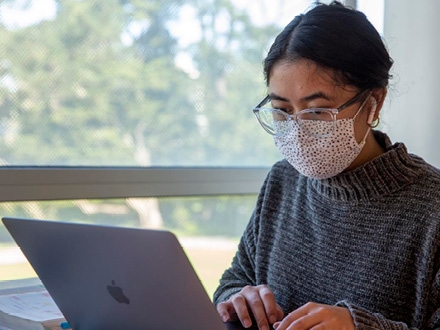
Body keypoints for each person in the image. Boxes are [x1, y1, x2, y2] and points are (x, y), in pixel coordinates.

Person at [213, 2, 440, 330]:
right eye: (281, 111)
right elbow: (235, 279)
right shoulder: (282, 181)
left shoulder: (431, 207)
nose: (297, 129)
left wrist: (360, 327)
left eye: (317, 111)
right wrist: (236, 299)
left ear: (374, 102)